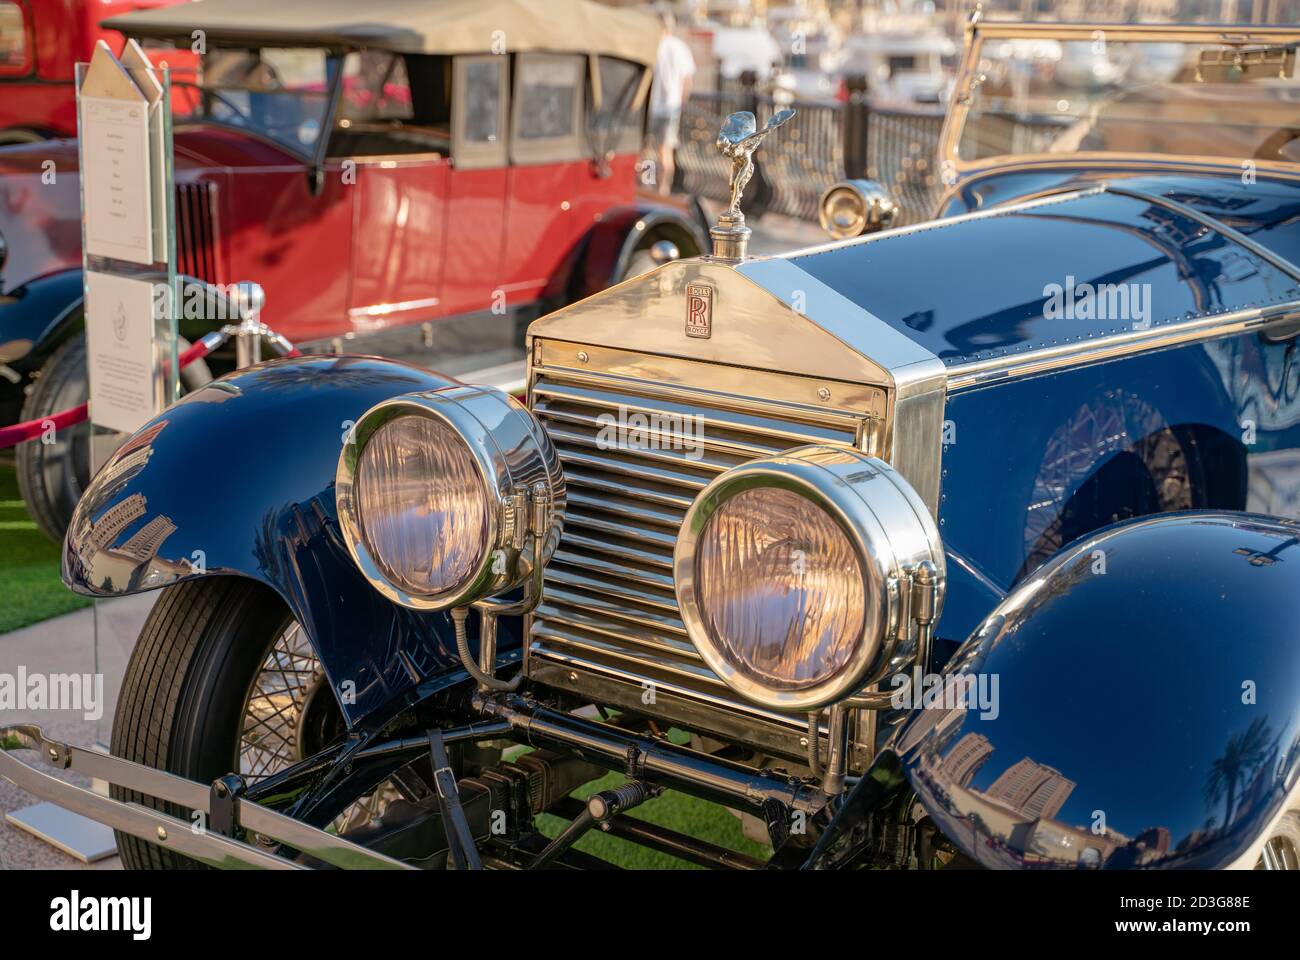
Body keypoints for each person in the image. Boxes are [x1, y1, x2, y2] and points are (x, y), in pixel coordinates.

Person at [648, 5, 695, 196]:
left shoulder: (653, 46)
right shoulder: (680, 47)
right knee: (665, 152)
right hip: (672, 106)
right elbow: (687, 81)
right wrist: (681, 102)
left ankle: (647, 187)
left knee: (647, 152)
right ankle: (663, 190)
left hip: (651, 107)